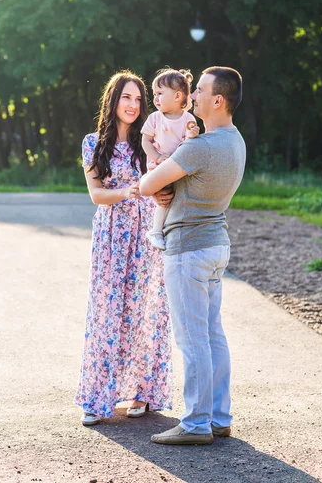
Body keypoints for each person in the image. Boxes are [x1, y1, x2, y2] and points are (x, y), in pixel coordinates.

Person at [140, 66, 246, 445]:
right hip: (216, 244)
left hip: (189, 248)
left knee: (192, 339)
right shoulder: (235, 142)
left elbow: (147, 183)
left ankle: (196, 424)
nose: (192, 96)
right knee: (213, 334)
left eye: (199, 90)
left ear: (217, 100)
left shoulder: (200, 146)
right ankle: (219, 417)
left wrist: (153, 187)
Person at [75, 70, 173, 426]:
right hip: (112, 235)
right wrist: (129, 191)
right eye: (126, 97)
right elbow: (97, 194)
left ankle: (142, 394)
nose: (132, 105)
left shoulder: (149, 140)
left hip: (147, 231)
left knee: (146, 311)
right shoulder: (92, 143)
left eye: (138, 99)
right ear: (113, 100)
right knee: (107, 311)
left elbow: (168, 174)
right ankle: (97, 397)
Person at [141, 68, 199, 251]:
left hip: (178, 166)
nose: (155, 98)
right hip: (158, 166)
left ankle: (170, 229)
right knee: (166, 196)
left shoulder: (188, 118)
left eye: (159, 93)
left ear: (177, 96)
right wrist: (157, 157)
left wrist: (192, 135)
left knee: (178, 196)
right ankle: (156, 230)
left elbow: (189, 143)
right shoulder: (155, 118)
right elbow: (145, 141)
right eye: (154, 94)